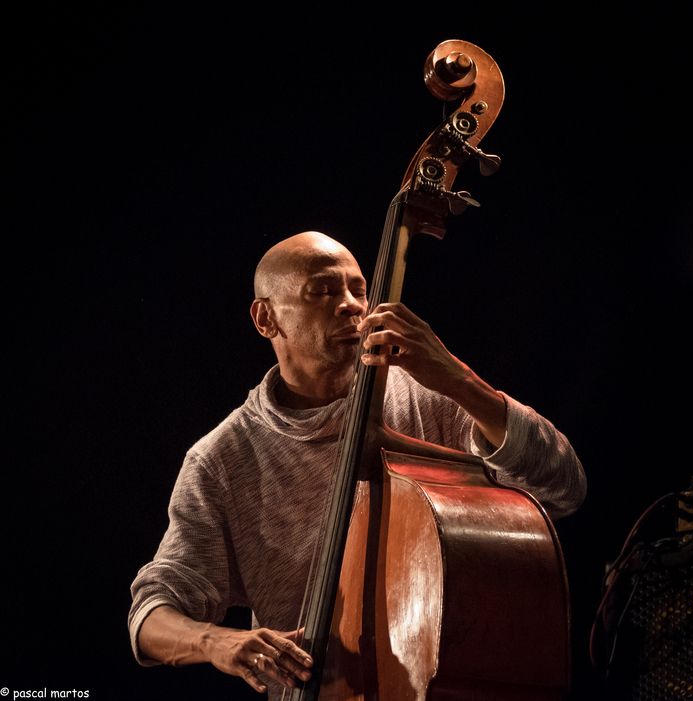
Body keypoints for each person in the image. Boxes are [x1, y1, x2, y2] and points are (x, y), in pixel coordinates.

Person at [129, 231, 586, 698]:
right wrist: (217, 641)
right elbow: (152, 613)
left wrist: (460, 380)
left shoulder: (425, 400)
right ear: (266, 318)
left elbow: (563, 487)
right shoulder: (223, 460)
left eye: (359, 289)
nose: (351, 306)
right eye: (324, 291)